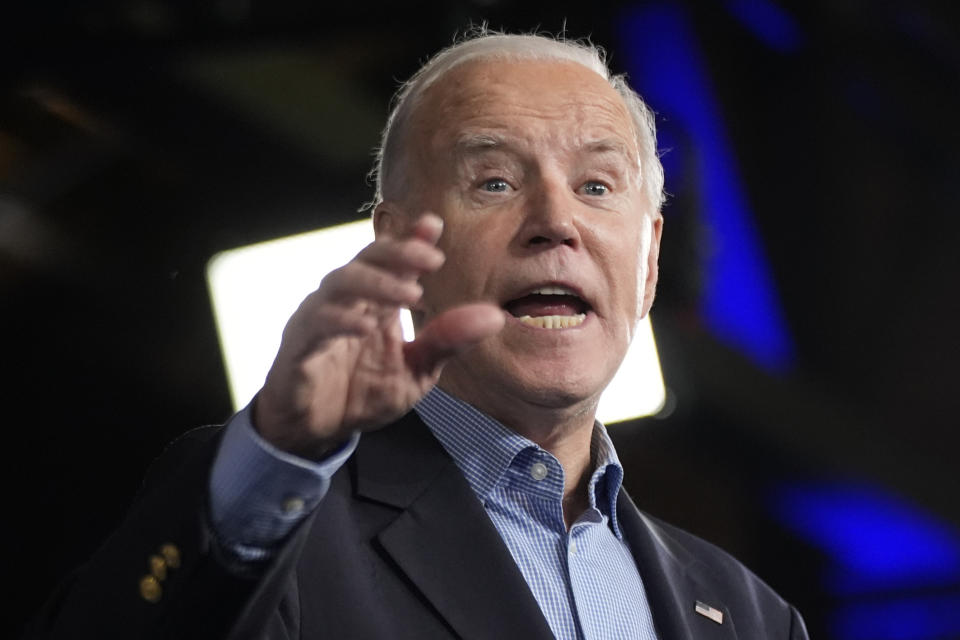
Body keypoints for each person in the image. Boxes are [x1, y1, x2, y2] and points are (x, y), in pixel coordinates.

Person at [30, 31, 809, 639]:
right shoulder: (270, 528)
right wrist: (277, 451)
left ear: (648, 265)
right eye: (495, 181)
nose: (555, 223)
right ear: (402, 248)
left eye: (597, 185)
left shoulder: (751, 615)